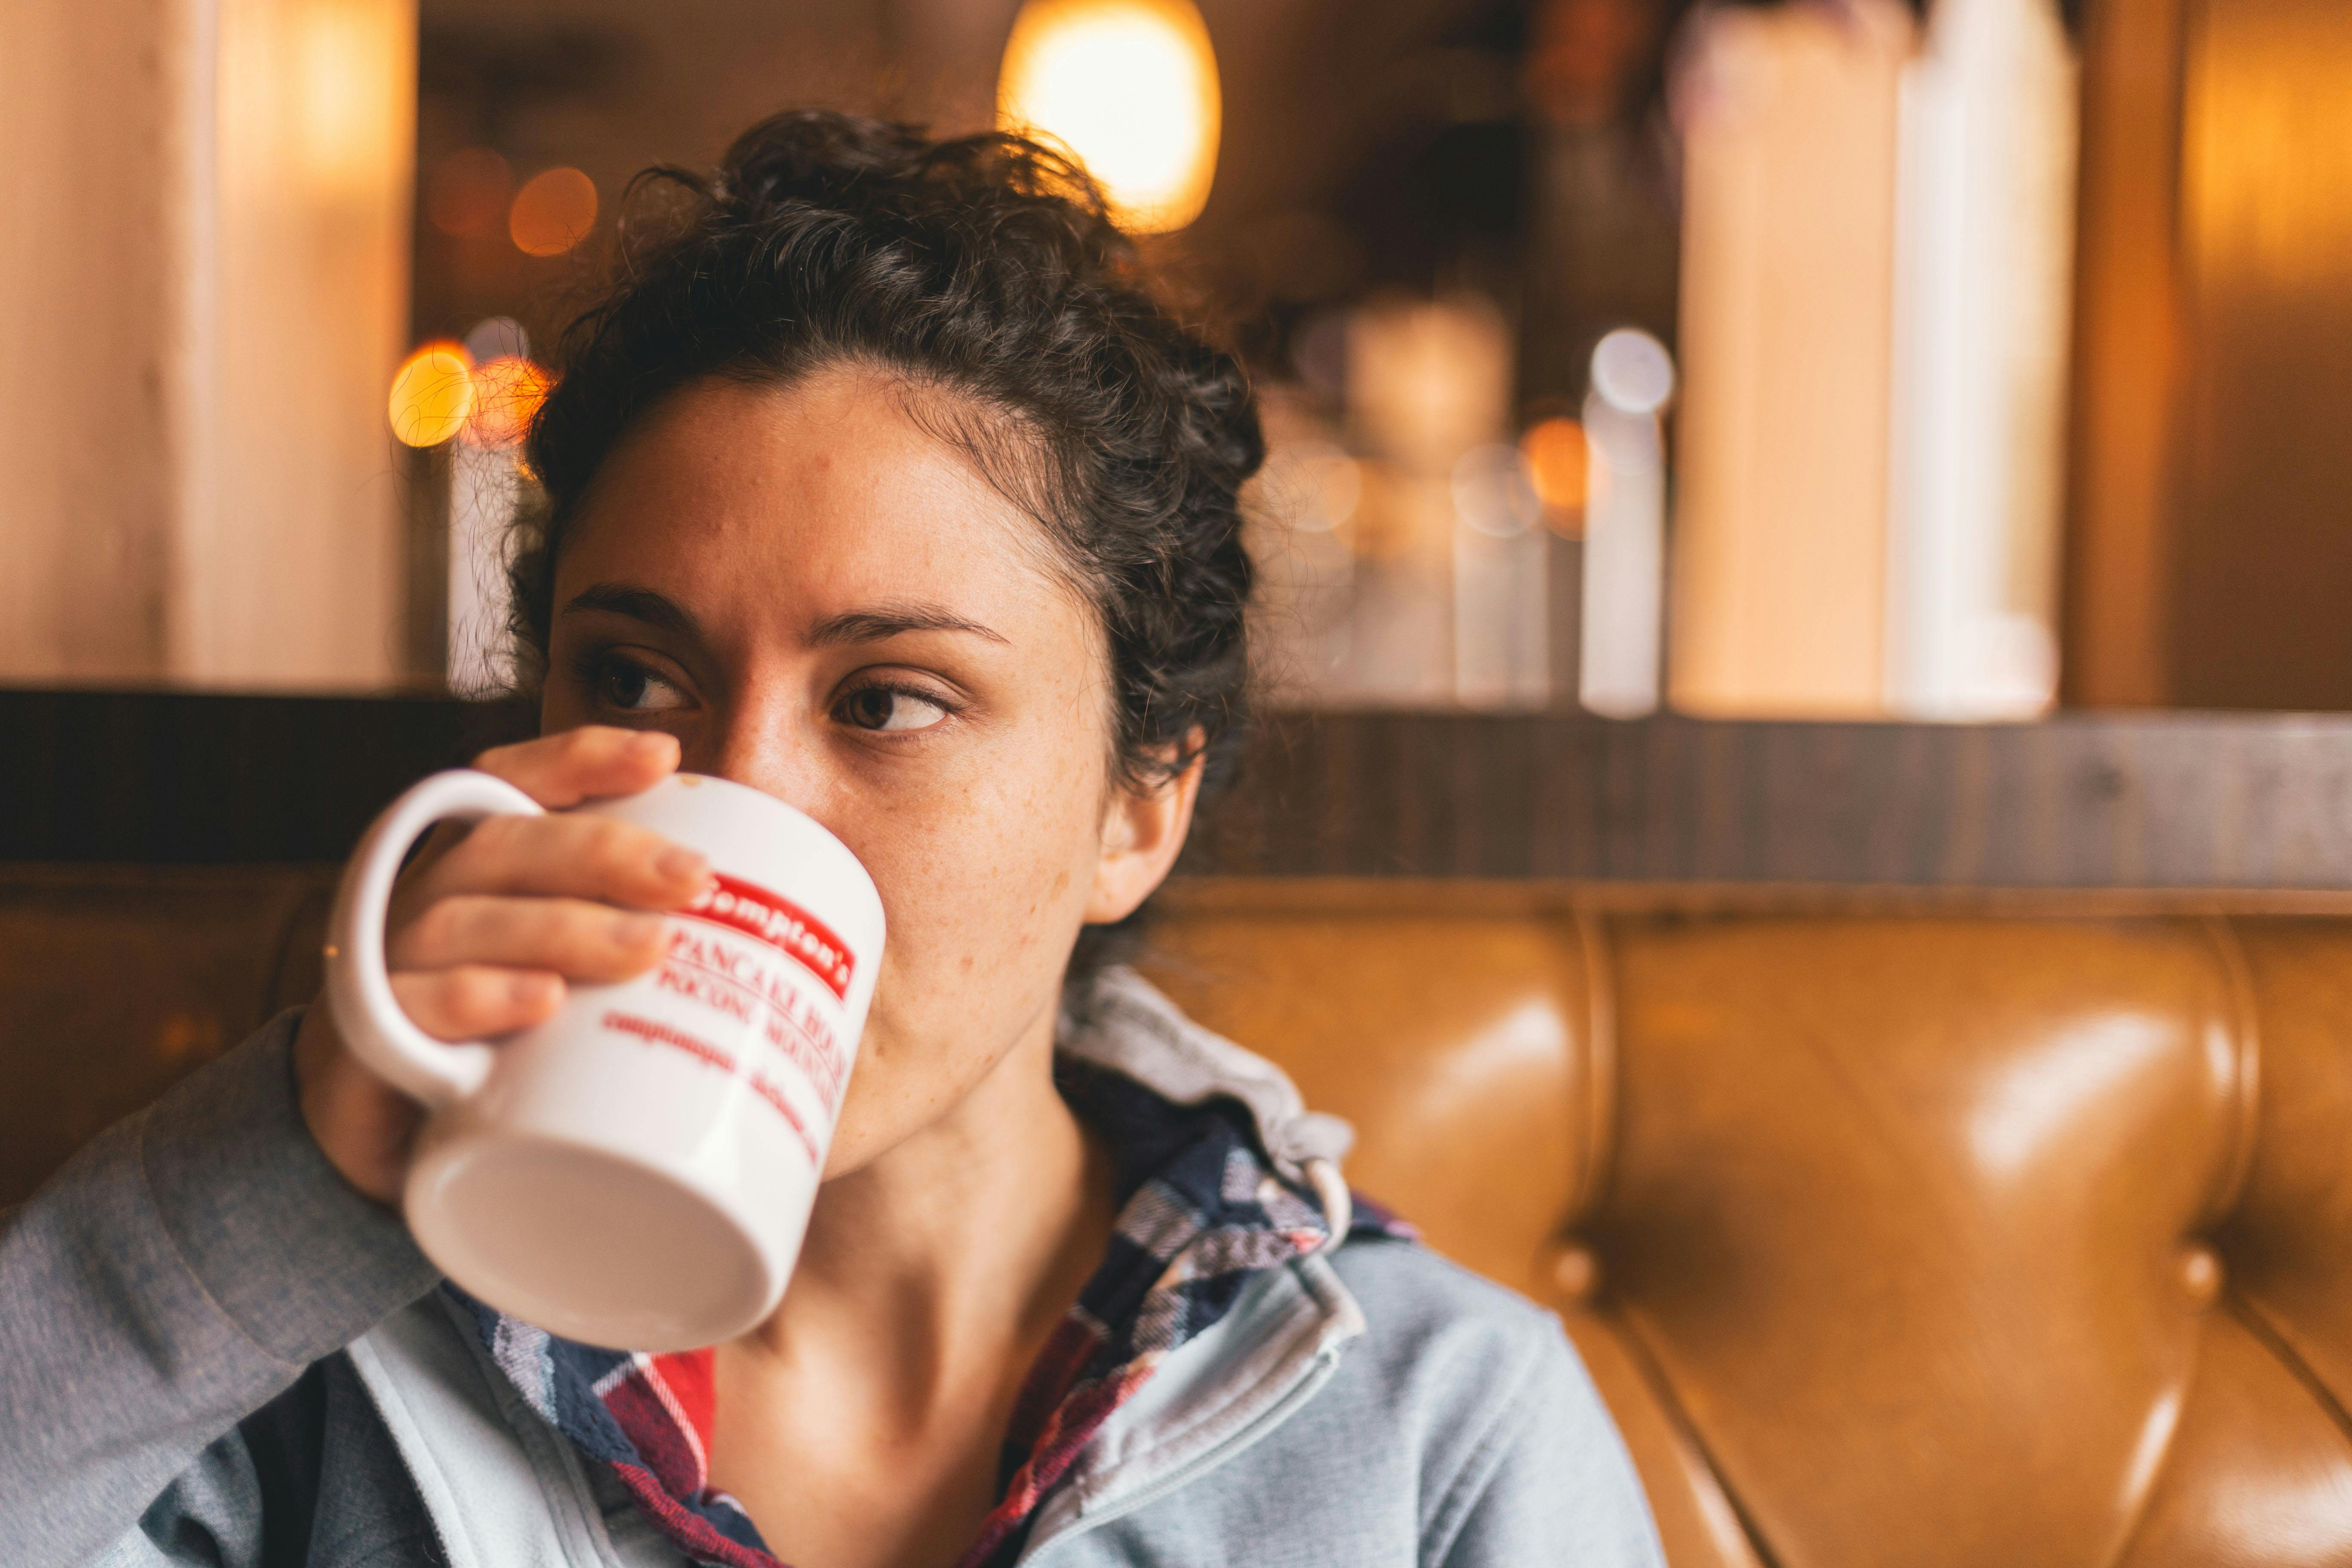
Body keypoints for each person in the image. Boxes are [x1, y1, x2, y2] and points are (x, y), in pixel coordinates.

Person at [1, 113, 1664, 1568]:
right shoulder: (300, 1360)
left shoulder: (1434, 1432)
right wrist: (287, 1177)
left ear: (1136, 808)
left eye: (889, 700)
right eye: (636, 675)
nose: (736, 800)